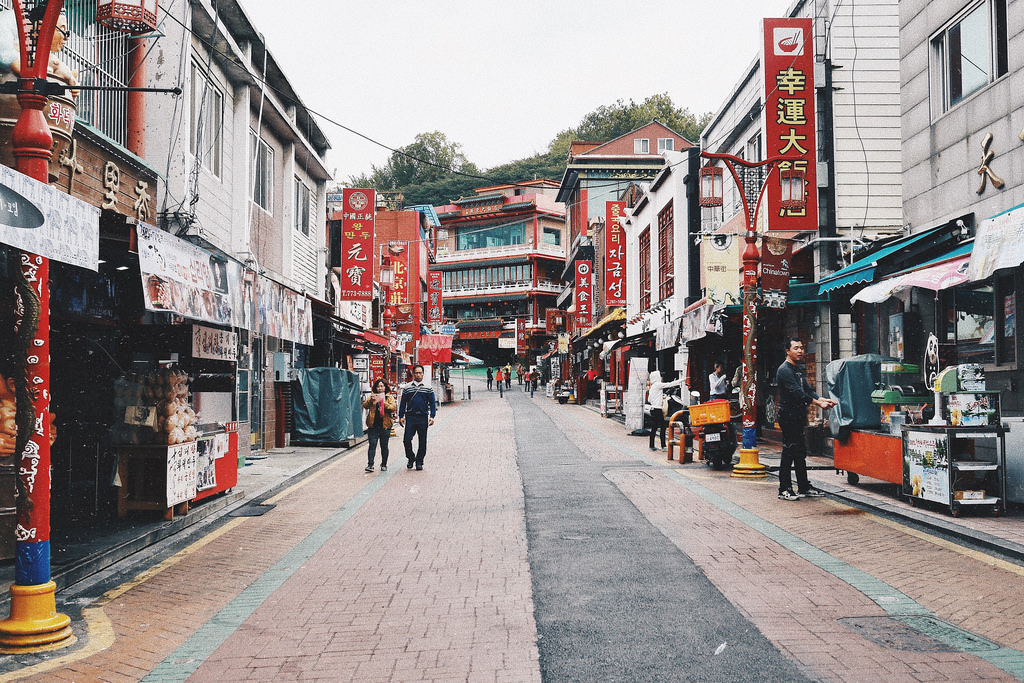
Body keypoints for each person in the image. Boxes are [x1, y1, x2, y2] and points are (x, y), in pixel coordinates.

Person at [776, 338, 836, 501]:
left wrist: (822, 399)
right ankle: (784, 489)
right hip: (788, 416)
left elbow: (808, 390)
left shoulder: (797, 369)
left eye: (801, 348)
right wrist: (818, 403)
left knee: (800, 452)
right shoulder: (784, 370)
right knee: (789, 452)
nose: (800, 351)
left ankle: (803, 487)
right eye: (796, 348)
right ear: (787, 351)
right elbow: (797, 393)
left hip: (798, 416)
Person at [399, 365, 437, 471]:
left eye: (420, 373)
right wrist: (401, 416)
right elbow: (403, 403)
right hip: (410, 417)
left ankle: (419, 461)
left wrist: (432, 416)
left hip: (423, 417)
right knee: (406, 439)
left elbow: (432, 403)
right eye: (416, 373)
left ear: (423, 374)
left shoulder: (428, 387)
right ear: (413, 374)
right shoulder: (407, 387)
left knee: (422, 441)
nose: (418, 375)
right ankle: (411, 458)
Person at [362, 379, 397, 472]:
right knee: (372, 445)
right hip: (373, 425)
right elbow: (365, 405)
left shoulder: (389, 397)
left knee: (384, 446)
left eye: (382, 386)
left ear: (385, 387)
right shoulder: (372, 396)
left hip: (385, 426)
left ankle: (384, 464)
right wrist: (371, 400)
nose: (380, 388)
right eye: (378, 386)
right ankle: (370, 465)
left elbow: (393, 408)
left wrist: (382, 401)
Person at [647, 370, 684, 451]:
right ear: (657, 377)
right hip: (657, 409)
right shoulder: (657, 384)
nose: (661, 378)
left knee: (654, 427)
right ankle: (663, 446)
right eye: (660, 376)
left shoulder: (652, 386)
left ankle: (651, 445)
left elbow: (649, 399)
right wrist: (682, 379)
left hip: (652, 409)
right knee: (663, 427)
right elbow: (669, 384)